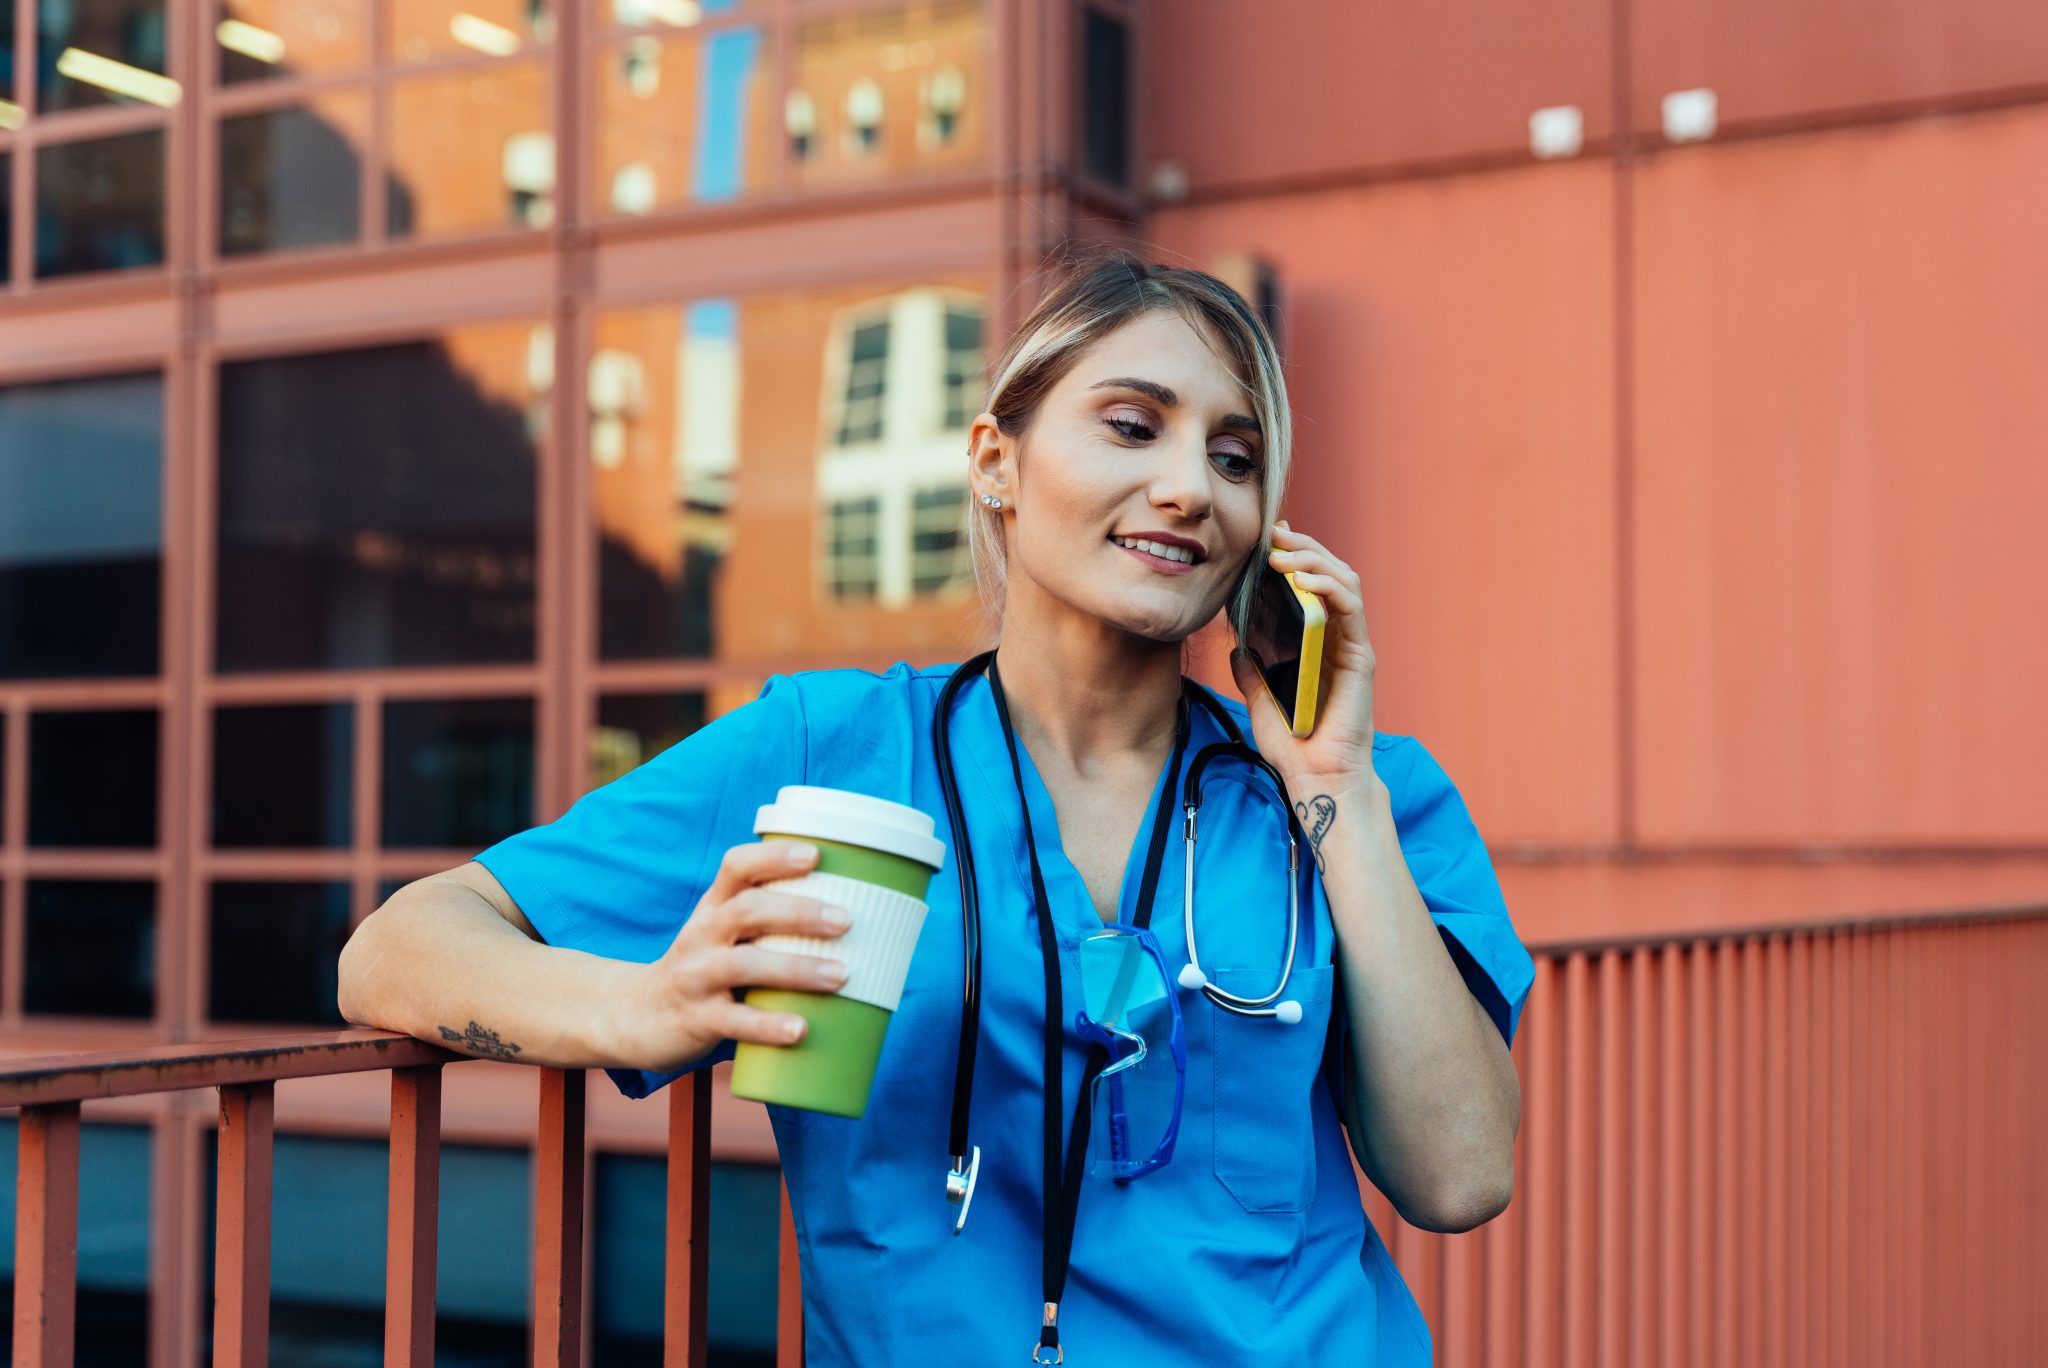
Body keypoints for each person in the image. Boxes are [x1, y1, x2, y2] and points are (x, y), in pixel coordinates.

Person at [339, 247, 1534, 1364]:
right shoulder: (827, 752)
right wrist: (644, 1007)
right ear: (994, 463)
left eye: (1232, 458)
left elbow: (1458, 1176)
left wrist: (1334, 790)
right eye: (1131, 426)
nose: (1187, 488)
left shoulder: (1356, 795)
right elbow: (399, 951)